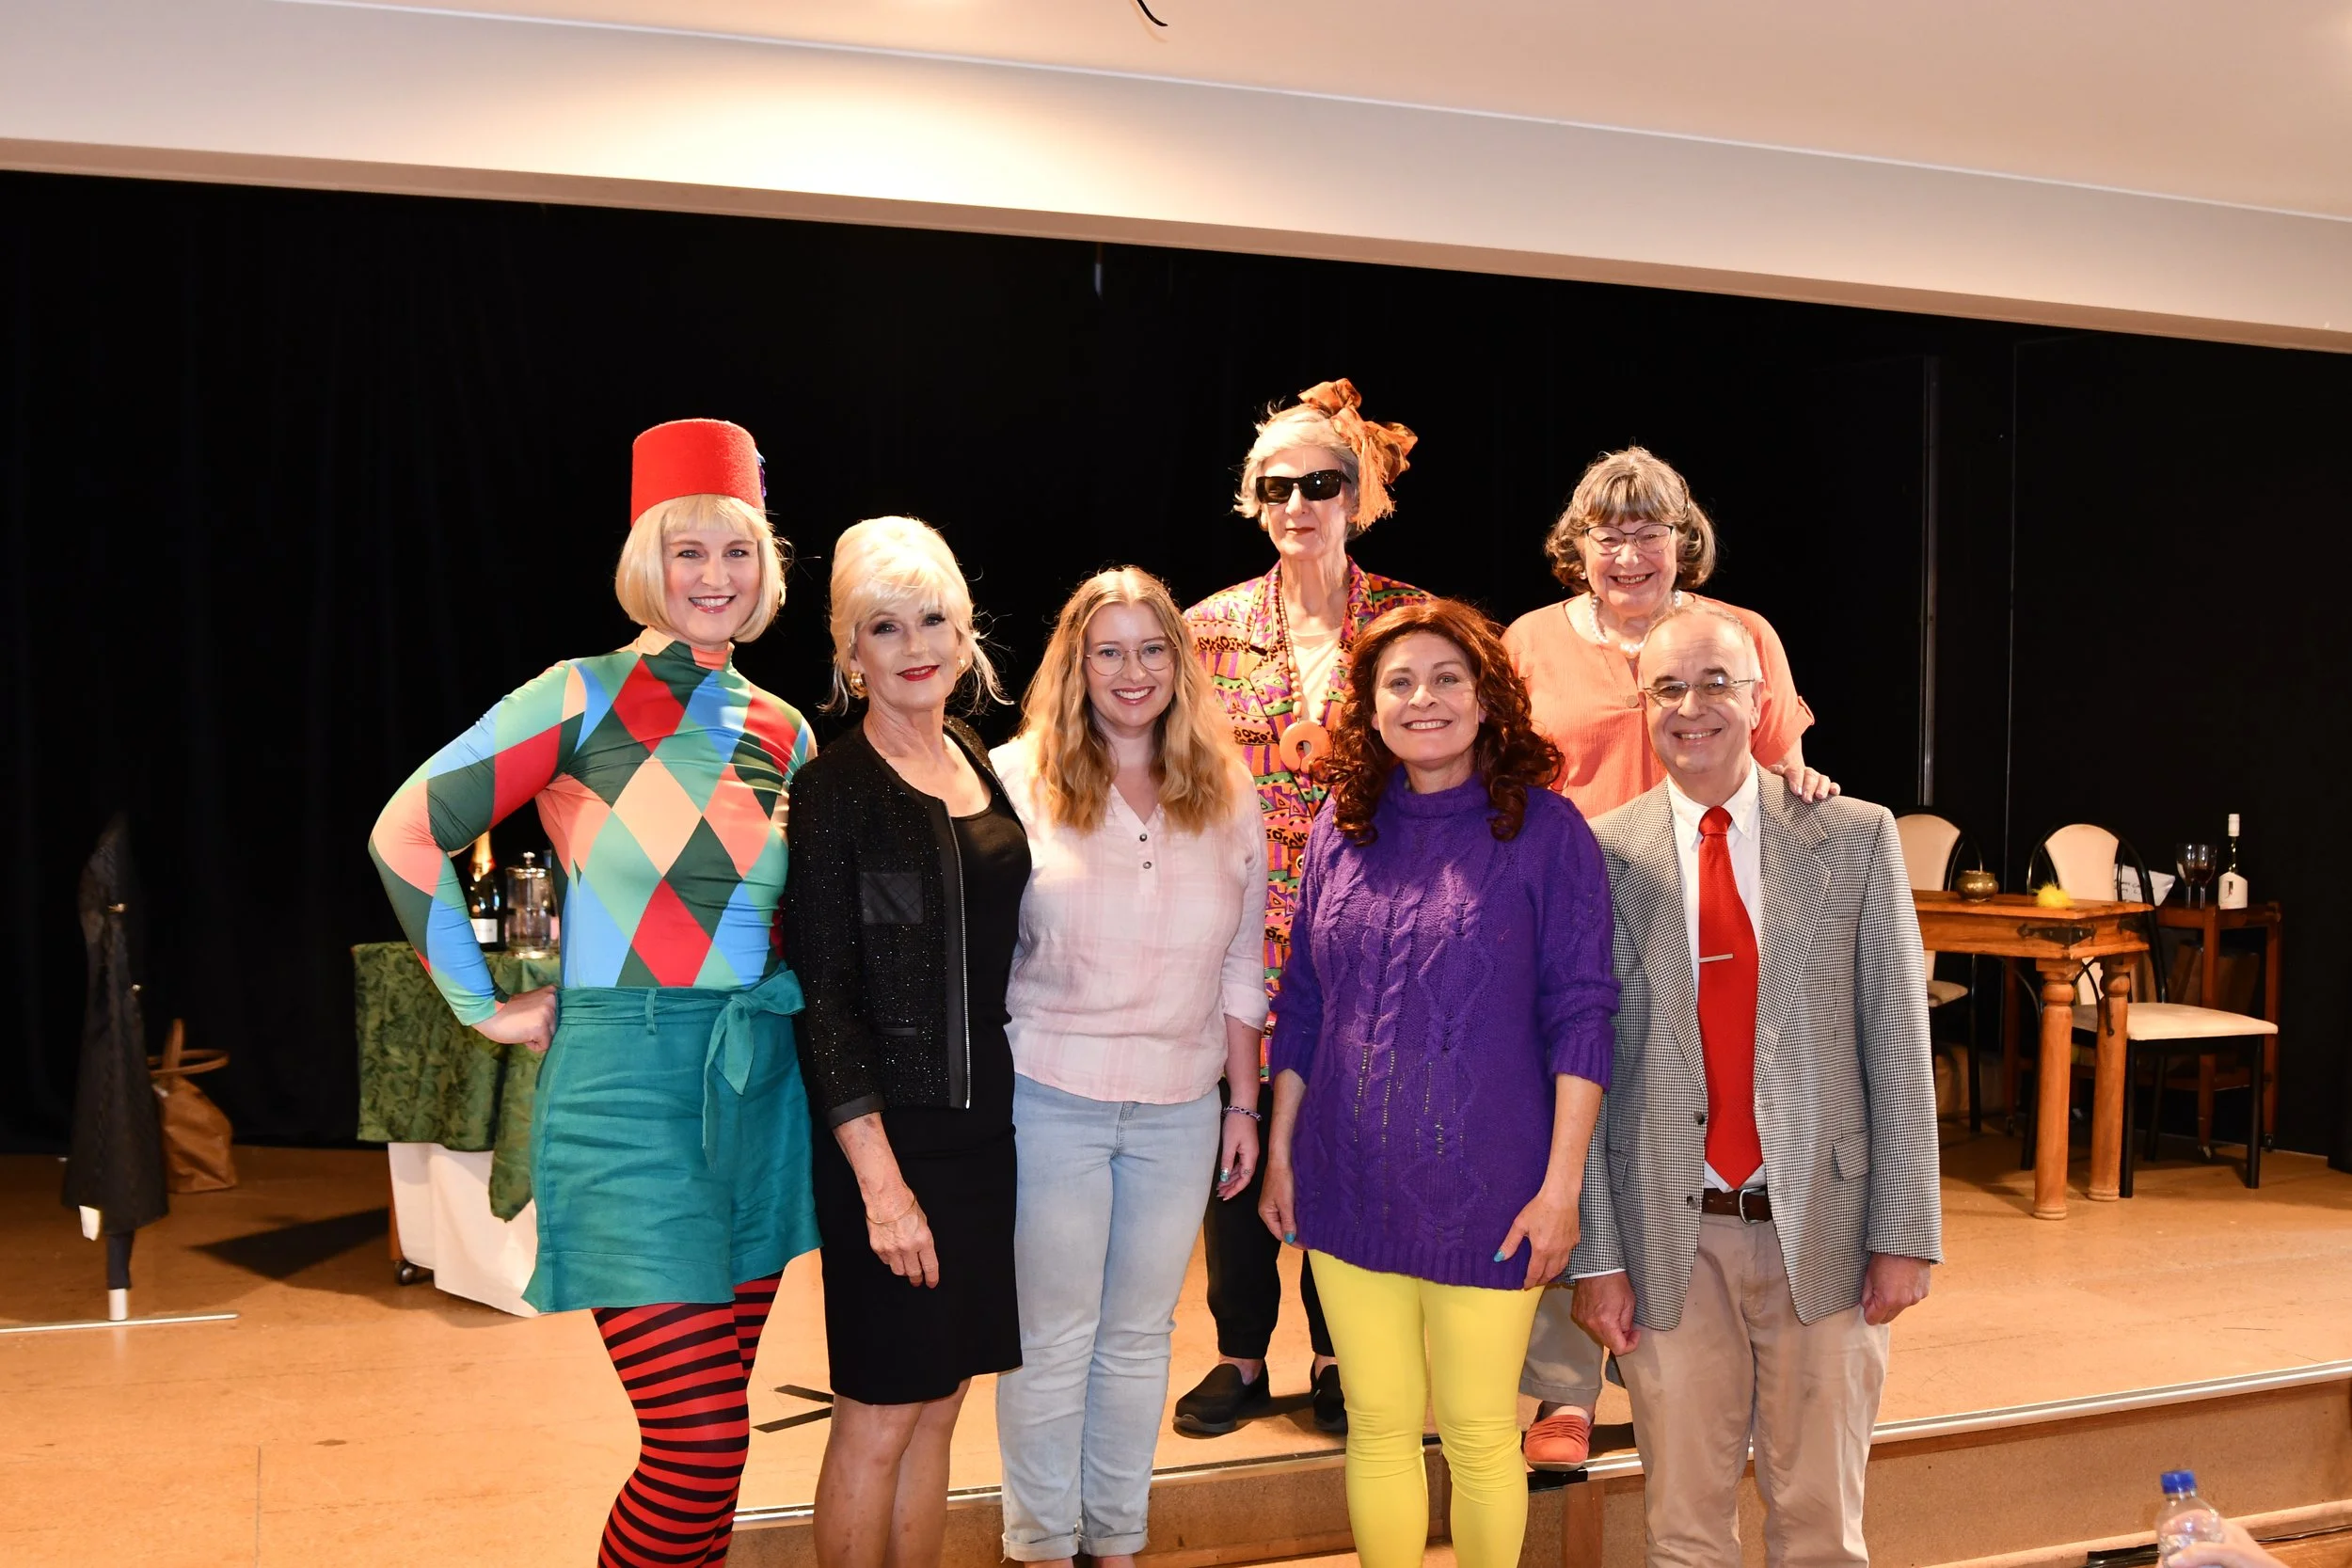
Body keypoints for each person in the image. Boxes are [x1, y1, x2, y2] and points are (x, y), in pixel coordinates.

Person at [368, 418, 819, 1568]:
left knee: (717, 1448)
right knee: (698, 1440)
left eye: (735, 550)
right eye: (687, 550)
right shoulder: (580, 696)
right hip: (622, 1090)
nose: (713, 576)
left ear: (765, 567)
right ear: (646, 561)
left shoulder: (786, 728)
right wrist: (480, 1000)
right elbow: (409, 831)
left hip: (756, 1088)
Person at [1568, 601, 1941, 1568]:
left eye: (1716, 683)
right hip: (1666, 1239)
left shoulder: (1852, 835)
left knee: (1820, 1528)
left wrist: (1905, 1231)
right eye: (1667, 687)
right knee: (1682, 1532)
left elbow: (1898, 1045)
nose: (1691, 706)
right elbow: (1585, 1073)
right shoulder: (1598, 856)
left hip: (1824, 1225)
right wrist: (1596, 1255)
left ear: (1760, 698)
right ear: (1640, 703)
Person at [1260, 598, 1618, 1568]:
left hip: (1493, 1191)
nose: (1424, 698)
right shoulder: (1342, 822)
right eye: (1399, 682)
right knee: (1376, 1424)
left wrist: (1560, 1188)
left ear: (1487, 695)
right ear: (1368, 709)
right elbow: (1301, 999)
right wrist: (1282, 1150)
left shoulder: (1548, 832)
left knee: (1473, 1429)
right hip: (1341, 1180)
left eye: (1447, 677)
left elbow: (1583, 1016)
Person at [1503, 445, 1836, 1468]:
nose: (1629, 551)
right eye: (1608, 532)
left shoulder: (1739, 635)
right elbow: (1500, 776)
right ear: (1578, 546)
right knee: (1576, 1138)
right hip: (1571, 918)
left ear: (1680, 542)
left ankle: (1685, 1372)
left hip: (1711, 925)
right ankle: (1563, 1388)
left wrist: (1809, 781)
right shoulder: (1527, 640)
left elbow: (1781, 756)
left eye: (1650, 530)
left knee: (1684, 1138)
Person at [990, 567, 1270, 1568]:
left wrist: (1243, 1105)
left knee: (1141, 1335)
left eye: (1151, 648)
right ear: (1075, 663)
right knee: (1055, 1336)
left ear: (1180, 663)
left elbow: (1245, 959)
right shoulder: (1013, 778)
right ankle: (1038, 1543)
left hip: (1180, 1107)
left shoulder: (1228, 791)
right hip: (1049, 1096)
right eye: (1106, 649)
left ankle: (1116, 1540)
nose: (1131, 670)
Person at [1177, 377, 1429, 1437]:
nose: (1296, 504)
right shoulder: (1202, 630)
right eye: (1274, 485)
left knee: (1349, 1148)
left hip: (1370, 938)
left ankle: (1341, 1352)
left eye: (1320, 483)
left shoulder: (1413, 625)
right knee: (1233, 1151)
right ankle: (1239, 1355)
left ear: (1359, 493)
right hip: (1232, 934)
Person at [785, 516, 1027, 1568]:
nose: (914, 644)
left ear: (967, 634)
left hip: (985, 1137)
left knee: (942, 1404)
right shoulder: (836, 787)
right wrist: (883, 1188)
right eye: (885, 627)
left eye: (934, 618)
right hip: (892, 1145)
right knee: (879, 1410)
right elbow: (824, 998)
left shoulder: (976, 757)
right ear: (850, 654)